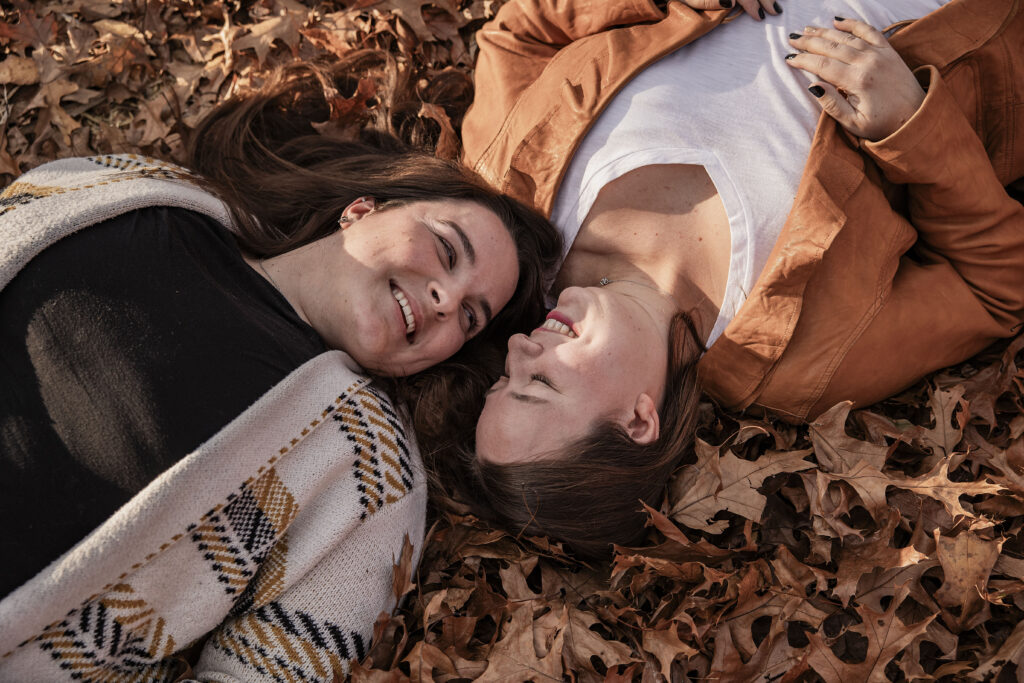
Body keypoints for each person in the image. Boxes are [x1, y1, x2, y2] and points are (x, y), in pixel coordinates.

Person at [0, 60, 560, 680]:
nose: (447, 303)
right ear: (363, 208)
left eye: (473, 319)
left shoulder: (368, 475)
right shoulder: (124, 190)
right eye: (447, 250)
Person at [460, 0, 1024, 557]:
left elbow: (516, 35)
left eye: (501, 378)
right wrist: (909, 125)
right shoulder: (804, 359)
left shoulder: (511, 213)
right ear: (637, 419)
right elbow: (992, 285)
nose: (517, 348)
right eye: (538, 384)